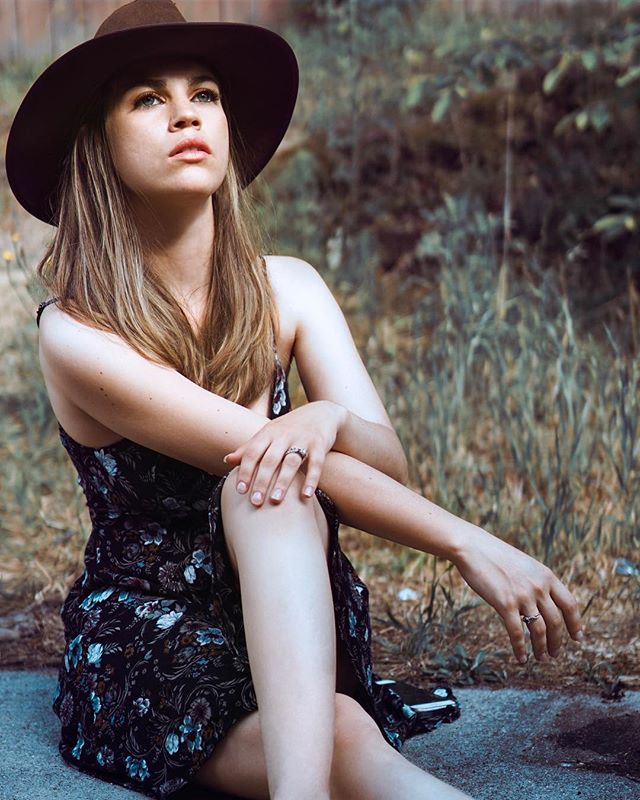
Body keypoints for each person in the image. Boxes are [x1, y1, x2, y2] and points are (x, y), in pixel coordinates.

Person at [5, 1, 584, 799]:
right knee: (268, 483)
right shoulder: (77, 332)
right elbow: (254, 453)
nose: (185, 113)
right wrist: (467, 544)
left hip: (290, 614)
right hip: (153, 644)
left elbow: (389, 465)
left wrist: (329, 419)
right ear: (98, 146)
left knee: (275, 484)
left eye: (203, 94)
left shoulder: (292, 288)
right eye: (147, 99)